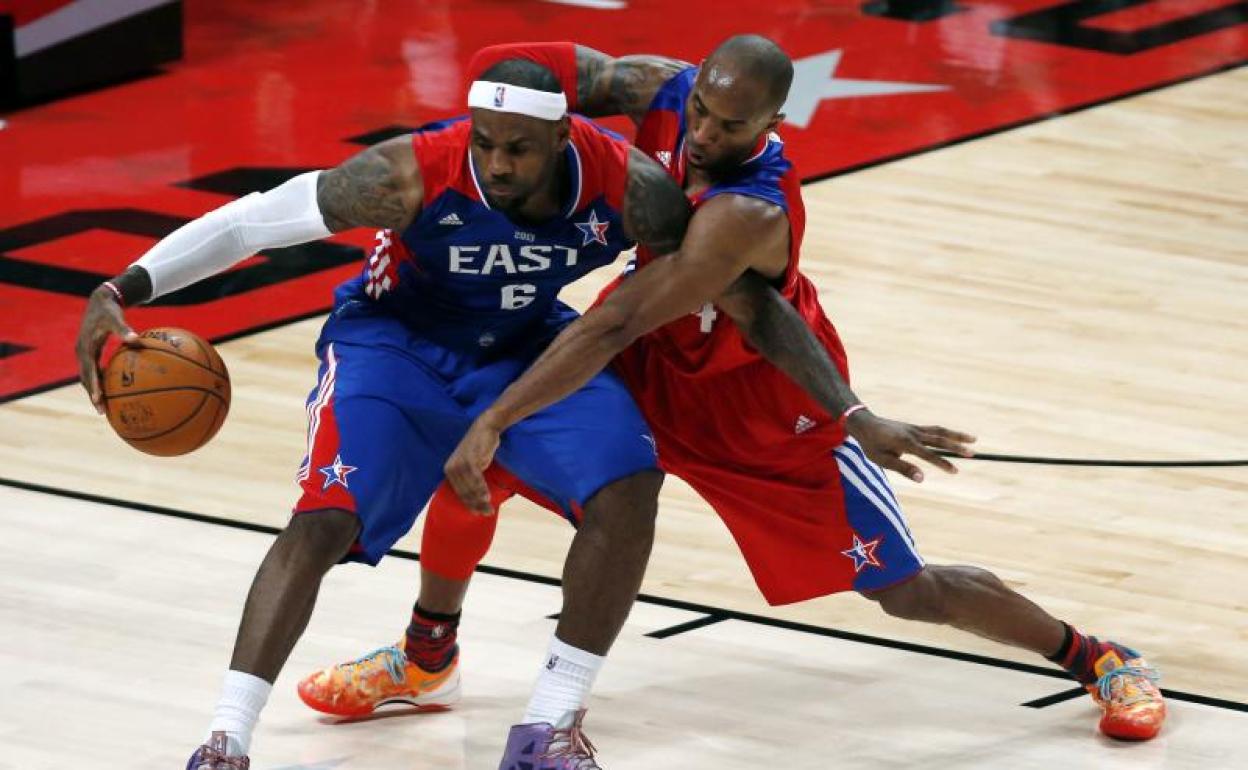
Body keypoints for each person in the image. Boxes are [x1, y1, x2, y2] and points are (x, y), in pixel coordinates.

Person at [300, 36, 1166, 768]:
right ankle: (426, 658)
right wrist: (501, 108)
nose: (707, 134)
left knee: (905, 589)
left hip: (756, 407)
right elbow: (543, 69)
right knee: (470, 480)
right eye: (705, 114)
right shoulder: (668, 90)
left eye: (733, 125)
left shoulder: (749, 210)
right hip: (651, 372)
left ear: (774, 126)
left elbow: (620, 320)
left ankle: (1096, 658)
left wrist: (856, 414)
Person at [76, 58, 701, 770]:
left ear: (562, 136)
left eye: (518, 148)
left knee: (629, 487)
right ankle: (225, 741)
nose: (495, 163)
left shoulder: (630, 188)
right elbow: (252, 221)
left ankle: (547, 730)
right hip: (395, 344)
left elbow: (711, 269)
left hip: (526, 343)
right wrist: (117, 288)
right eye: (485, 142)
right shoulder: (411, 172)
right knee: (322, 520)